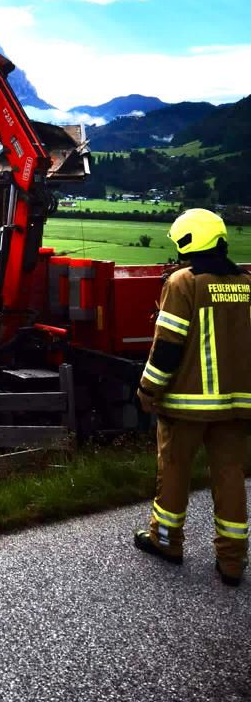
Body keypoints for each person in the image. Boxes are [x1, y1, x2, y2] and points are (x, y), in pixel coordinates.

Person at [134, 208, 251, 586]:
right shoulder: (247, 283)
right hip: (237, 406)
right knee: (231, 476)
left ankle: (166, 541)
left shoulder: (183, 282)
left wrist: (147, 389)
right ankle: (232, 562)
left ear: (187, 241)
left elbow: (167, 347)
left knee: (174, 471)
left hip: (186, 405)